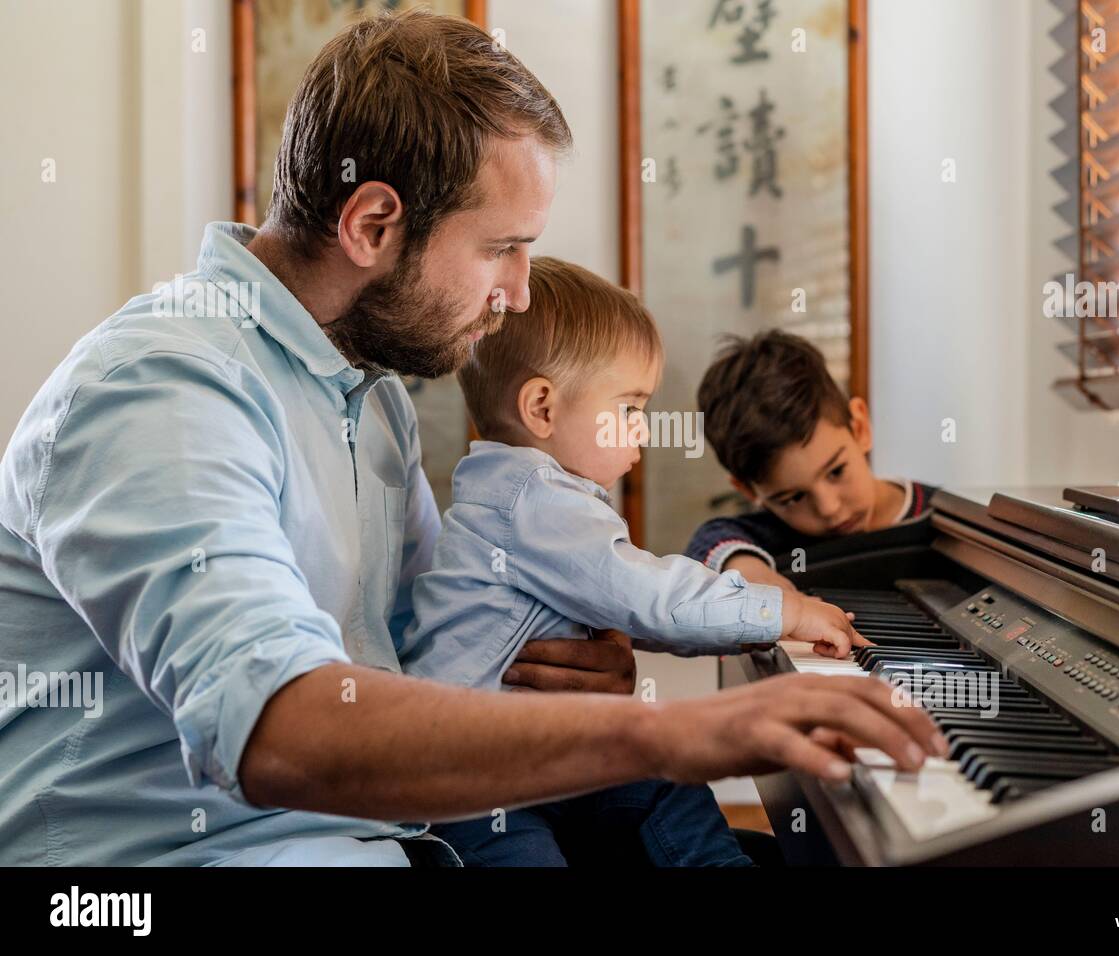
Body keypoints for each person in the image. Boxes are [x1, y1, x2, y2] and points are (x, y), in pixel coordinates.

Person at [0, 11, 944, 866]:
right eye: (501, 248)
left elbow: (421, 655)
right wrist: (673, 732)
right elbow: (280, 728)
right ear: (373, 223)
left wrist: (562, 676)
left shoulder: (370, 400)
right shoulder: (162, 391)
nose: (522, 292)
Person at [404, 258, 864, 865]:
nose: (643, 433)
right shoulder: (532, 502)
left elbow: (643, 610)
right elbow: (656, 602)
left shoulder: (535, 496)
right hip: (476, 781)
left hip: (551, 756)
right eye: (629, 410)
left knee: (664, 776)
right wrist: (786, 612)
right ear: (542, 408)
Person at [686, 330, 939, 592]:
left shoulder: (945, 519)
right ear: (749, 491)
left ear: (860, 428)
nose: (829, 508)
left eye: (836, 471)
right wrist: (742, 566)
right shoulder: (771, 537)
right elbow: (710, 539)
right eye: (793, 498)